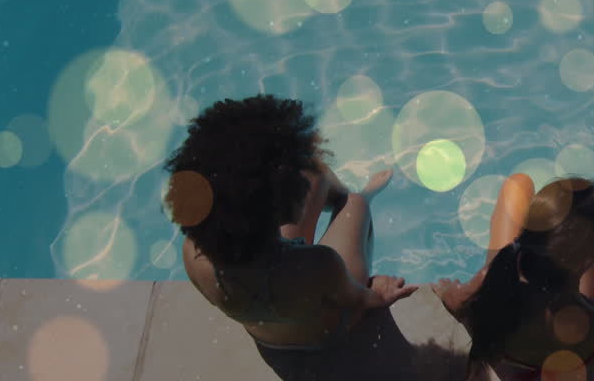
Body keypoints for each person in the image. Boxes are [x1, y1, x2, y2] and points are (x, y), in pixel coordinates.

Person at [164, 94, 417, 351]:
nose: (302, 182)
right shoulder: (319, 264)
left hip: (267, 320)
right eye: (297, 183)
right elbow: (356, 298)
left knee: (316, 171)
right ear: (283, 207)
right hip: (321, 331)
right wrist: (379, 294)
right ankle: (357, 197)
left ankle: (340, 197)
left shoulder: (193, 253)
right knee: (356, 204)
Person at [434, 174, 594, 379]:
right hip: (562, 355)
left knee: (518, 184)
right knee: (579, 233)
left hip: (509, 354)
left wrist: (446, 291)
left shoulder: (490, 284)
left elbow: (456, 301)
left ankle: (557, 234)